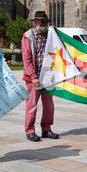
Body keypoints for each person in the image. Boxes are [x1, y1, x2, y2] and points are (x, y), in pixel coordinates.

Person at [21, 11, 59, 142]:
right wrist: (33, 76)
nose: (44, 25)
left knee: (49, 105)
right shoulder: (27, 36)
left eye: (46, 22)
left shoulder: (50, 35)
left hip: (48, 76)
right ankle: (30, 130)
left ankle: (46, 129)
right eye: (42, 22)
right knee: (32, 105)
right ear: (35, 22)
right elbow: (27, 59)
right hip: (33, 77)